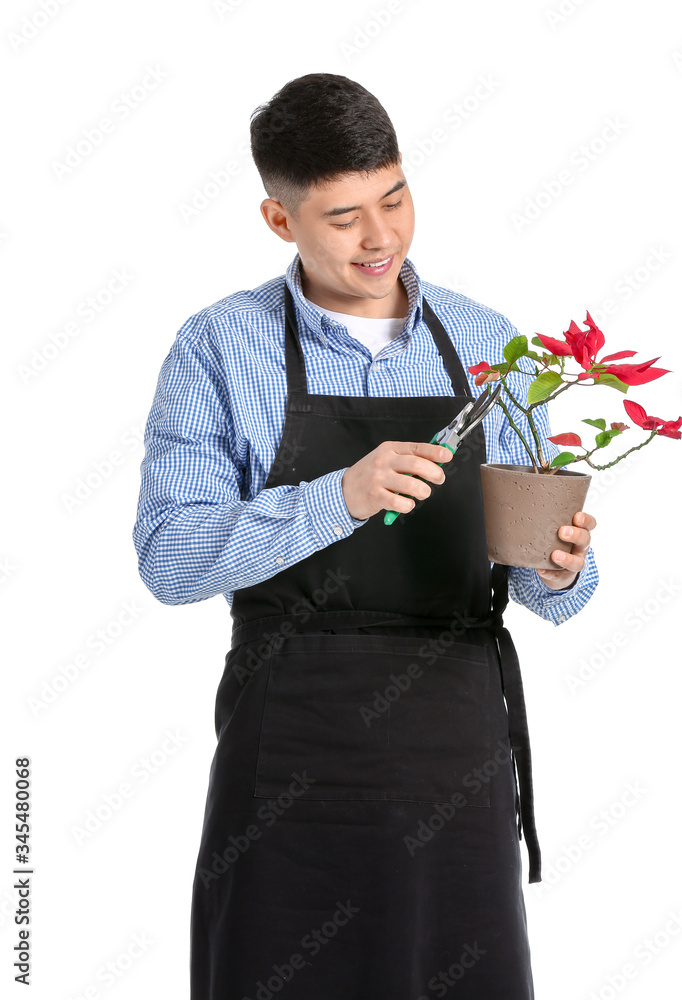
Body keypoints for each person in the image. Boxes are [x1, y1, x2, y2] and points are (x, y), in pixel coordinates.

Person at [132, 72, 599, 1000]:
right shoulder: (219, 348)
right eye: (343, 216)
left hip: (455, 761)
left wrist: (560, 566)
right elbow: (169, 561)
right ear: (280, 220)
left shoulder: (485, 342)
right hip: (289, 767)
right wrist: (334, 495)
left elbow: (559, 597)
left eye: (394, 197)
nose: (380, 237)